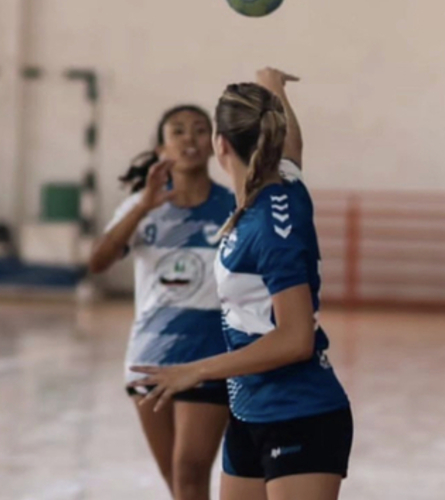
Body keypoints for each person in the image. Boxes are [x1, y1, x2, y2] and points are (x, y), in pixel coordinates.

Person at [131, 69, 353, 500]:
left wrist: (196, 370)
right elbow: (294, 146)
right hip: (249, 410)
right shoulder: (284, 188)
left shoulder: (268, 229)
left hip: (300, 413)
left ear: (220, 146)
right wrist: (271, 86)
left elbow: (295, 339)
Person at [89, 105, 235, 500]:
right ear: (160, 148)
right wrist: (140, 207)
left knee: (190, 469)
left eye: (200, 130)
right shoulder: (143, 208)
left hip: (208, 354)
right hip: (149, 356)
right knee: (177, 481)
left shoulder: (233, 207)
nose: (190, 138)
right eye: (178, 131)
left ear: (215, 145)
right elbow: (97, 262)